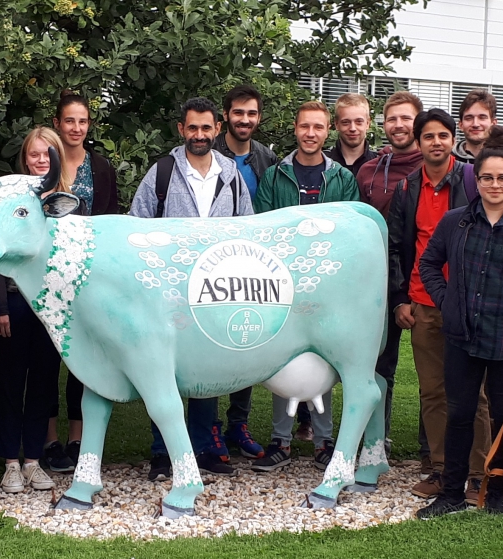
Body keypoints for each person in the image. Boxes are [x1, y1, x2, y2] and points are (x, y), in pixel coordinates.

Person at [413, 126, 503, 518]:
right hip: (463, 335)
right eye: (487, 177)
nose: (495, 185)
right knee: (459, 415)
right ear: (476, 180)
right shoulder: (456, 222)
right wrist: (447, 302)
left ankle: (495, 492)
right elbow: (428, 264)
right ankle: (452, 493)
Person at [129, 97, 254, 480]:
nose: (199, 135)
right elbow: (136, 225)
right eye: (192, 127)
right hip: (166, 293)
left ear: (217, 129)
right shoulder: (162, 172)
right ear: (181, 129)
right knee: (162, 373)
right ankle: (162, 453)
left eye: (206, 127)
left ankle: (204, 448)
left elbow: (247, 228)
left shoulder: (231, 174)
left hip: (213, 293)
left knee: (206, 372)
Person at [249, 100, 360, 473]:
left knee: (323, 360)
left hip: (326, 286)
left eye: (318, 127)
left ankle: (324, 442)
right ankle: (280, 441)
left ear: (328, 131)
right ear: (295, 129)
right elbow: (262, 229)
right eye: (304, 126)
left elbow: (349, 233)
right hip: (283, 285)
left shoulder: (341, 179)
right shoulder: (274, 176)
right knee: (282, 360)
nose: (310, 134)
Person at [388, 108, 490, 503]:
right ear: (418, 142)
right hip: (424, 304)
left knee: (474, 394)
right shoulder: (407, 188)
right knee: (433, 392)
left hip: (468, 303)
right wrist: (401, 298)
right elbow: (398, 247)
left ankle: (478, 475)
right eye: (428, 136)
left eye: (442, 136)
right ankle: (442, 470)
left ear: (452, 139)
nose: (436, 142)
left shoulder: (472, 179)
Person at [41, 91, 121, 472]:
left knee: (83, 360)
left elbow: (110, 221)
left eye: (83, 121)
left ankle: (77, 439)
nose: (76, 128)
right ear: (57, 123)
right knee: (46, 361)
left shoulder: (101, 168)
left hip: (89, 280)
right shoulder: (44, 165)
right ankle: (48, 439)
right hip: (47, 278)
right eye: (69, 120)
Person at [0, 127, 66, 493]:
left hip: (51, 307)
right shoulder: (9, 198)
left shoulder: (66, 203)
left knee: (43, 384)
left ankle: (33, 460)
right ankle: (10, 462)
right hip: (14, 303)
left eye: (47, 154)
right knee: (10, 383)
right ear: (25, 158)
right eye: (34, 154)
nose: (40, 160)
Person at [205, 84, 276, 459]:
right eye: (238, 112)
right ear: (225, 117)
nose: (244, 119)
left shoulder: (267, 159)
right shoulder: (208, 152)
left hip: (251, 266)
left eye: (251, 113)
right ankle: (210, 427)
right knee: (211, 344)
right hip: (210, 266)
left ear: (258, 117)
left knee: (245, 341)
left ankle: (239, 423)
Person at [354, 91, 425, 454]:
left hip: (428, 280)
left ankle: (433, 452)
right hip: (380, 282)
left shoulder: (434, 166)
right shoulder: (369, 171)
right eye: (392, 119)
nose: (398, 125)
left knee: (435, 371)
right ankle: (374, 442)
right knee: (380, 365)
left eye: (406, 118)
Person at [326, 93, 378, 177]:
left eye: (359, 122)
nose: (353, 128)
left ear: (368, 123)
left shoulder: (380, 164)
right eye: (346, 122)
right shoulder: (323, 163)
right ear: (336, 124)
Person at [453, 89, 499, 165]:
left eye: (482, 117)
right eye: (469, 118)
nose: (475, 124)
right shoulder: (447, 163)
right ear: (460, 125)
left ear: (493, 123)